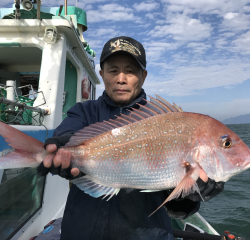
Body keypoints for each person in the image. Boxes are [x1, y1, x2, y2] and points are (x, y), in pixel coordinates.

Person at [37, 36, 224, 240]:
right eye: (113, 70)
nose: (121, 79)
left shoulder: (163, 120)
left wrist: (188, 196)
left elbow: (175, 204)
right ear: (102, 74)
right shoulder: (83, 112)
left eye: (130, 71)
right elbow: (68, 134)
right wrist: (63, 149)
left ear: (143, 76)